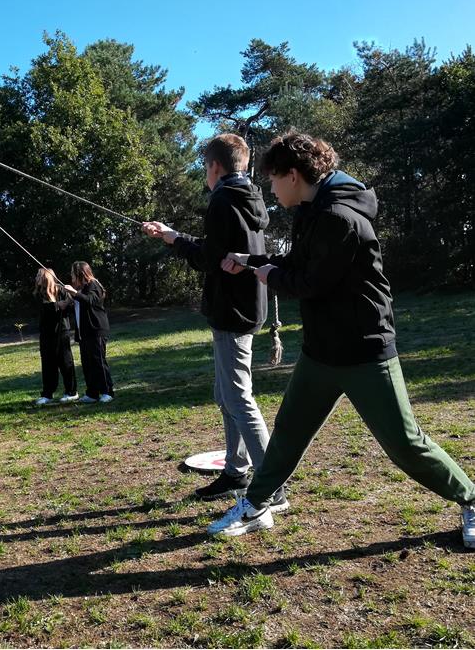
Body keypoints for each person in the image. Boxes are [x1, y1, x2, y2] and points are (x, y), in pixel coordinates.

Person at [210, 131, 475, 549]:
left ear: (293, 175)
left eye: (274, 179)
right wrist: (254, 260)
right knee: (289, 432)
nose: (271, 190)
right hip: (322, 351)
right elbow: (300, 262)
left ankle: (471, 499)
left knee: (405, 444)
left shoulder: (339, 217)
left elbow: (310, 282)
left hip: (365, 350)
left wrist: (266, 274)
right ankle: (257, 504)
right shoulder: (311, 210)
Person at [143, 134, 286, 510]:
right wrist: (175, 237)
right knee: (226, 396)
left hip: (231, 311)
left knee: (238, 397)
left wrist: (176, 242)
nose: (204, 174)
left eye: (205, 166)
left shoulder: (223, 199)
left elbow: (207, 260)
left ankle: (272, 484)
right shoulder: (248, 197)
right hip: (244, 307)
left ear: (215, 166)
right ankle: (236, 470)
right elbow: (217, 251)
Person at [63, 262, 114, 404]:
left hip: (96, 330)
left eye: (73, 273)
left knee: (98, 361)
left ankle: (107, 392)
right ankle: (92, 393)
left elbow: (90, 300)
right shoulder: (82, 288)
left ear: (80, 273)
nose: (71, 276)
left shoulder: (93, 284)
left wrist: (75, 294)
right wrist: (71, 298)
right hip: (84, 332)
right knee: (87, 363)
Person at [33, 268, 79, 406]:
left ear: (46, 277)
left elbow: (70, 308)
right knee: (48, 364)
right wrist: (58, 305)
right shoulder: (38, 294)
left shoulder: (61, 290)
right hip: (46, 334)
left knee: (66, 362)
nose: (36, 278)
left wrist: (69, 300)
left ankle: (71, 392)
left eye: (38, 275)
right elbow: (45, 309)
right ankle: (47, 394)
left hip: (62, 332)